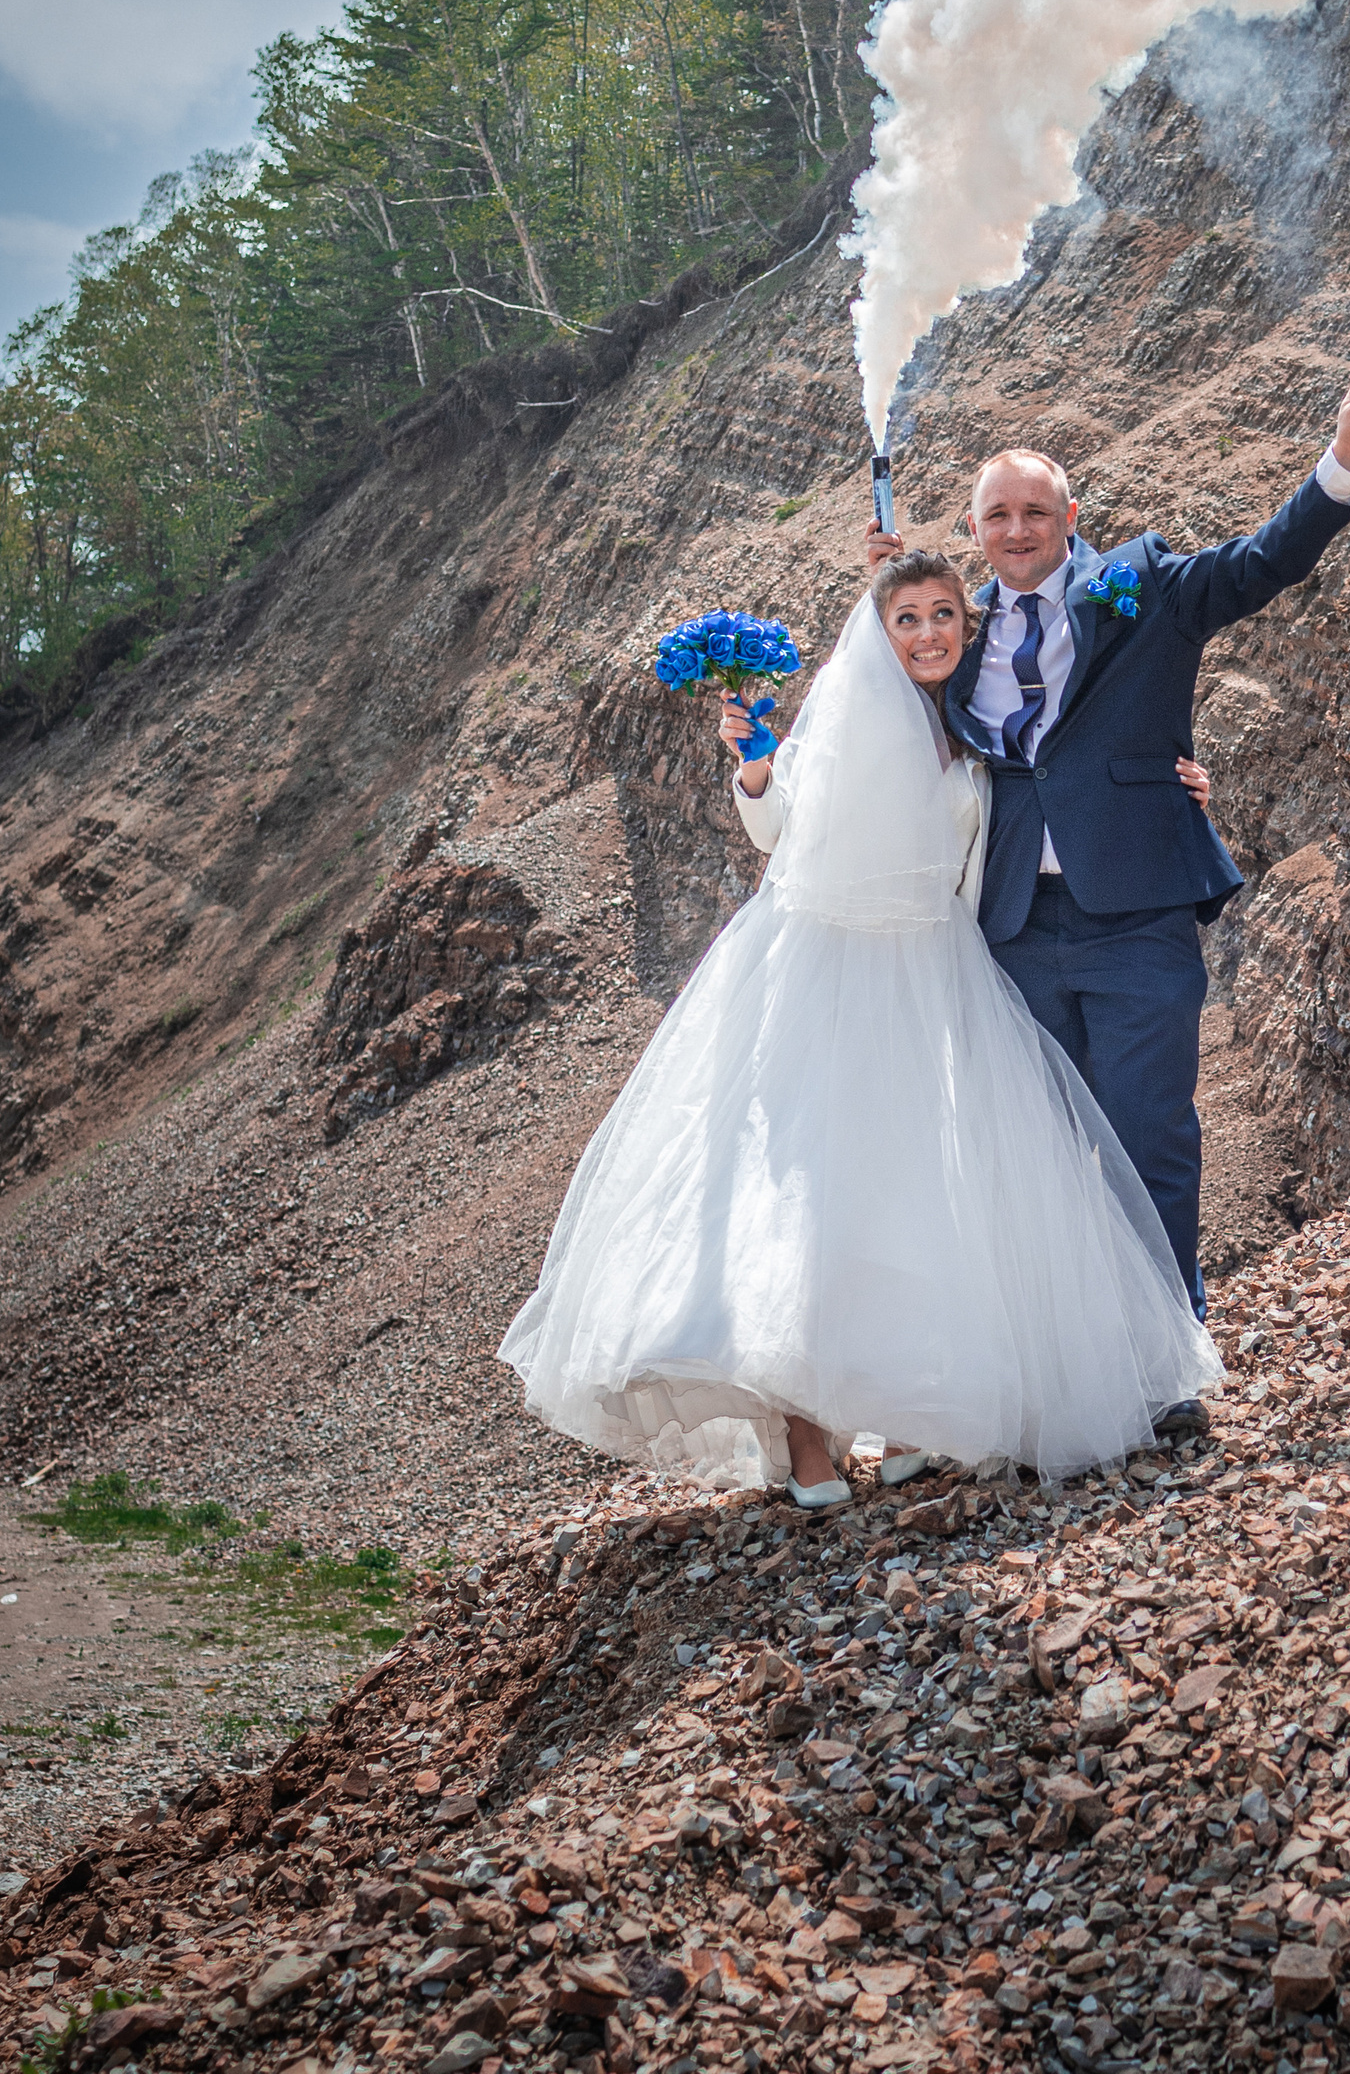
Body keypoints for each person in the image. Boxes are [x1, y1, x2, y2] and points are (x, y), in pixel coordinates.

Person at [497, 549, 1223, 1500]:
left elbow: (1049, 797)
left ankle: (907, 1408)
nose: (927, 635)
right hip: (830, 970)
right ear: (879, 633)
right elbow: (777, 825)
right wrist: (755, 768)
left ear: (968, 628)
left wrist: (1178, 790)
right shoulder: (842, 709)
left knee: (917, 1193)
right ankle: (806, 1439)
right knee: (817, 1191)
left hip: (936, 974)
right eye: (907, 619)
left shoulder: (977, 727)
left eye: (943, 616)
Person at [864, 354, 1350, 1411]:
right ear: (973, 530)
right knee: (1046, 1152)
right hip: (1011, 929)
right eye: (995, 515)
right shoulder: (948, 631)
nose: (1016, 530)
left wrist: (1344, 459)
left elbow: (1262, 562)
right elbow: (893, 736)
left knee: (1149, 1130)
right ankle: (1067, 1365)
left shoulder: (1145, 584)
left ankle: (1167, 1363)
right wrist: (878, 593)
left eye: (1035, 510)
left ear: (1072, 515)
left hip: (1137, 917)